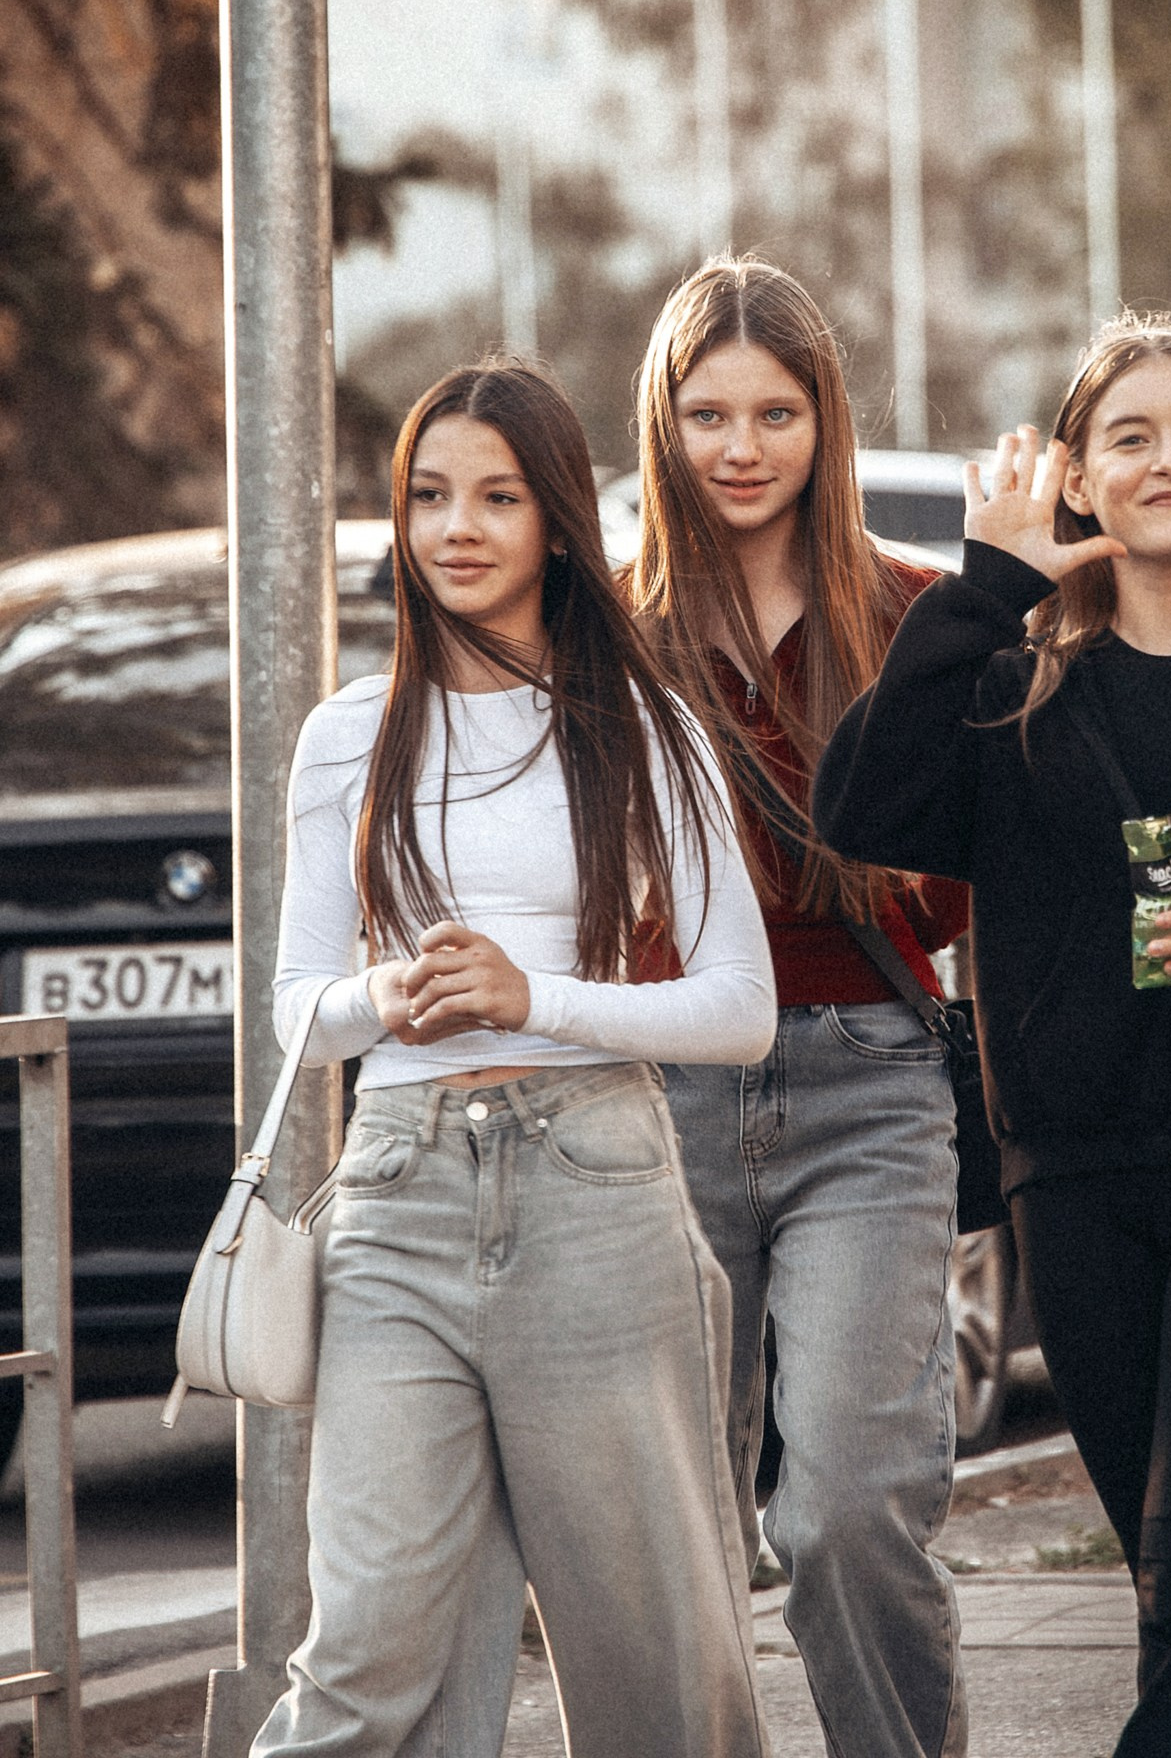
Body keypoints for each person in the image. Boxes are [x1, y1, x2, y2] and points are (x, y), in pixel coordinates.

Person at [815, 312, 1171, 1758]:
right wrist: (984, 592)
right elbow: (858, 809)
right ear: (1078, 477)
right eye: (1131, 436)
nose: (1170, 459)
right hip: (1075, 1187)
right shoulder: (1016, 688)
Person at [259, 363, 776, 1758]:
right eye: (429, 497)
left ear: (556, 522)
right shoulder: (346, 735)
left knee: (656, 1660)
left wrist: (534, 995)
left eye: (497, 497)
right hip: (396, 1194)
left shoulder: (645, 726)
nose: (457, 528)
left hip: (593, 1183)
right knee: (367, 1650)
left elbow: (741, 1007)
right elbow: (297, 1009)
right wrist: (386, 996)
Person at [630, 257, 972, 1758]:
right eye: (708, 414)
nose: (742, 447)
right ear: (664, 424)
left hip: (867, 1080)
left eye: (777, 412)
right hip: (656, 1094)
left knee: (845, 1507)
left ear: (827, 420)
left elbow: (966, 874)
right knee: (669, 1526)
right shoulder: (607, 626)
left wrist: (880, 856)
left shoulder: (914, 612)